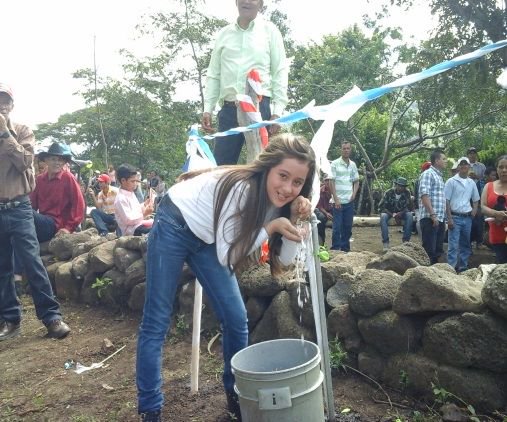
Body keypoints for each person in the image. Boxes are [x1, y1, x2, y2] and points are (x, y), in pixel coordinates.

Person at [136, 134, 315, 422]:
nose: (287, 188)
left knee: (236, 318)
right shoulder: (243, 189)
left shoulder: (281, 201)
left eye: (297, 182)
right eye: (283, 176)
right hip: (175, 220)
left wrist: (292, 221)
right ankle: (150, 409)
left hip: (211, 238)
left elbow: (282, 261)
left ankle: (236, 397)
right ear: (268, 168)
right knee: (156, 320)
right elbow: (228, 256)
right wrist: (270, 227)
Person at [0, 83, 70, 341]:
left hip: (19, 207)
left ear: (12, 105)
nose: (2, 105)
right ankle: (10, 319)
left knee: (32, 261)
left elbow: (25, 162)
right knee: (2, 267)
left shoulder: (22, 132)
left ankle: (52, 318)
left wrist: (5, 133)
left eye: (5, 101)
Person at [201, 0, 288, 165]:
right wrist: (208, 109)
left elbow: (280, 71)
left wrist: (278, 112)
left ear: (261, 4)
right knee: (221, 168)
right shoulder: (224, 34)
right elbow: (214, 74)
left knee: (263, 167)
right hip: (229, 110)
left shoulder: (270, 31)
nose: (247, 1)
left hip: (259, 110)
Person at [30, 142, 86, 241]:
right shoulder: (39, 179)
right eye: (53, 159)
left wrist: (68, 228)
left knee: (23, 211)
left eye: (60, 160)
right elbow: (32, 205)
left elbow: (79, 204)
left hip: (56, 225)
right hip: (43, 223)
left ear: (64, 163)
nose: (57, 163)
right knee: (20, 211)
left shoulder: (68, 178)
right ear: (46, 160)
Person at [444, 157, 480, 272]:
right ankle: (451, 268)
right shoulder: (451, 181)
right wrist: (449, 218)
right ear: (458, 166)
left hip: (467, 217)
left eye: (466, 164)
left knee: (465, 244)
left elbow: (476, 199)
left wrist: (474, 210)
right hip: (455, 216)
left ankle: (463, 267)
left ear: (469, 166)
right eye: (461, 164)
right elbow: (446, 201)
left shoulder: (471, 183)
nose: (464, 166)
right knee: (453, 245)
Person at [329, 141, 359, 252]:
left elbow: (356, 181)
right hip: (338, 201)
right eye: (344, 148)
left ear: (350, 150)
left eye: (348, 148)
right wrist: (336, 199)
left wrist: (354, 194)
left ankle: (345, 249)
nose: (346, 150)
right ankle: (335, 250)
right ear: (341, 150)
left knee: (347, 227)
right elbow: (331, 182)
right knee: (337, 228)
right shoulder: (335, 164)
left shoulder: (353, 165)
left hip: (349, 201)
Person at [418, 149, 447, 264]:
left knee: (438, 251)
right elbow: (424, 195)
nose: (446, 161)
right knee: (429, 251)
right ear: (436, 160)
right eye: (444, 159)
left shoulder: (439, 176)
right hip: (430, 218)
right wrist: (432, 214)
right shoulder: (428, 174)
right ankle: (425, 278)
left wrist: (443, 219)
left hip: (439, 218)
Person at [480, 155, 507, 263]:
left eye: (506, 167)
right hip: (497, 234)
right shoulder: (489, 186)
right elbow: (482, 207)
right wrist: (496, 213)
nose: (504, 170)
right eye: (501, 167)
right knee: (501, 265)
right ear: (496, 169)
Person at [114, 164, 154, 236]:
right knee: (156, 232)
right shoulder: (120, 198)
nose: (135, 184)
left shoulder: (131, 193)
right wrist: (145, 214)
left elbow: (135, 210)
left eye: (136, 181)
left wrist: (144, 204)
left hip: (139, 225)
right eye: (132, 181)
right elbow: (129, 220)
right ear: (123, 181)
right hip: (131, 230)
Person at [378, 176, 414, 251]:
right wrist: (393, 215)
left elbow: (409, 207)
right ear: (396, 185)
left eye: (403, 186)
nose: (401, 188)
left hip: (402, 212)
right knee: (383, 217)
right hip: (389, 212)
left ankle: (406, 242)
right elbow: (381, 207)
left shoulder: (407, 193)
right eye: (399, 185)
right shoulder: (388, 192)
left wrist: (401, 213)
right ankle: (386, 243)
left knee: (410, 216)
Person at [314, 176, 333, 245]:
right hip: (322, 210)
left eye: (329, 180)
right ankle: (321, 243)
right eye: (326, 180)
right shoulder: (319, 191)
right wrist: (326, 213)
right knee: (320, 218)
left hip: (333, 210)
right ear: (324, 181)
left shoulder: (336, 190)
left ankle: (337, 244)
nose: (328, 182)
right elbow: (319, 206)